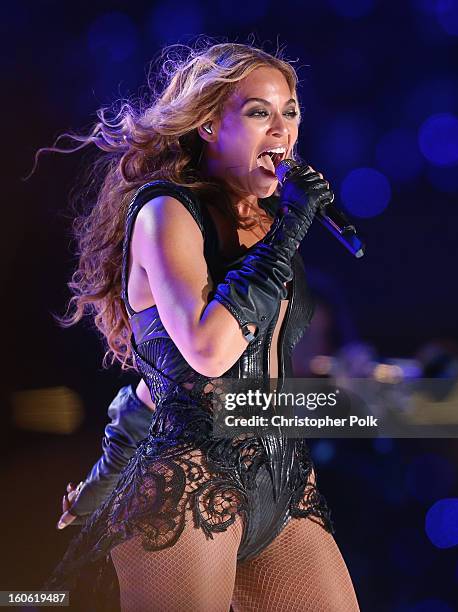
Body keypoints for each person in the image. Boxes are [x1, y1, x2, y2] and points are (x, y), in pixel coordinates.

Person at [41, 40, 360, 611]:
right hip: (186, 485)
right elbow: (206, 355)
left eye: (290, 111)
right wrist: (289, 231)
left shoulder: (269, 225)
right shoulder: (166, 212)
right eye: (259, 112)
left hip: (285, 484)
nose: (282, 129)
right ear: (210, 125)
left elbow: (156, 387)